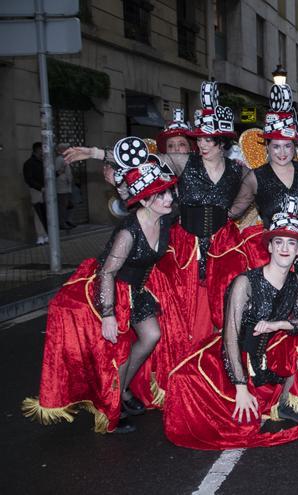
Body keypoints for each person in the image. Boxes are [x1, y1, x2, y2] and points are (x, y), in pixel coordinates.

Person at [64, 81, 251, 401]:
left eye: (208, 139)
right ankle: (178, 378)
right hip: (183, 251)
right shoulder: (183, 163)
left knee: (222, 312)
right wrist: (96, 153)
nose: (201, 144)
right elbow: (141, 158)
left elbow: (248, 196)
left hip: (221, 250)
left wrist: (229, 216)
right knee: (180, 317)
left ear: (222, 141)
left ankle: (214, 375)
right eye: (199, 139)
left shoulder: (238, 170)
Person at [23, 142, 181, 433]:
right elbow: (107, 272)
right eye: (162, 194)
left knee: (151, 336)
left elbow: (145, 157)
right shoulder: (128, 232)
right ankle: (112, 408)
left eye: (169, 192)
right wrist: (108, 314)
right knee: (117, 351)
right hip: (112, 291)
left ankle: (121, 390)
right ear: (145, 201)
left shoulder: (166, 217)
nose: (169, 197)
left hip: (137, 289)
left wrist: (101, 157)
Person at [163, 196, 298, 449]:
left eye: (291, 243)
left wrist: (279, 325)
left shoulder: (296, 282)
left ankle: (287, 400)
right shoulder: (245, 282)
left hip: (267, 352)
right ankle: (244, 392)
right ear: (269, 247)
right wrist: (240, 386)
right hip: (235, 352)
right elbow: (230, 334)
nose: (284, 248)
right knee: (188, 383)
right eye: (278, 242)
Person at [209, 83, 298, 326]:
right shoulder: (255, 177)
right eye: (276, 146)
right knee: (275, 316)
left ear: (295, 146)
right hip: (276, 256)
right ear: (267, 146)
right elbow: (234, 212)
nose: (282, 152)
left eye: (288, 145)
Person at [22, 141, 48, 245]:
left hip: (45, 190)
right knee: (38, 214)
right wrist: (40, 188)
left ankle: (46, 234)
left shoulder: (43, 162)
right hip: (37, 191)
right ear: (37, 150)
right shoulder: (29, 163)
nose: (43, 151)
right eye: (42, 149)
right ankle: (40, 236)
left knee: (46, 213)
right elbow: (29, 179)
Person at [54, 143, 75, 230]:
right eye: (66, 148)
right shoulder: (59, 159)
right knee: (63, 206)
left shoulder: (64, 159)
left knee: (68, 205)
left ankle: (67, 221)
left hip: (66, 187)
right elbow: (57, 172)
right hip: (62, 188)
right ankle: (62, 223)